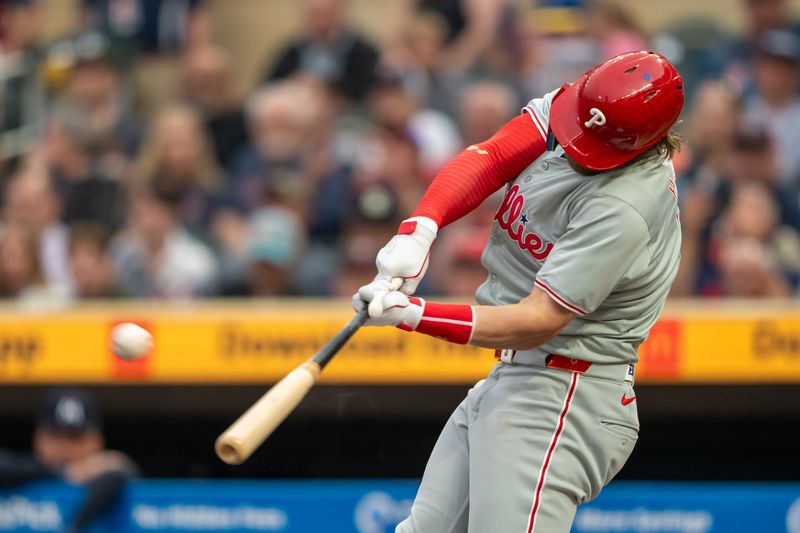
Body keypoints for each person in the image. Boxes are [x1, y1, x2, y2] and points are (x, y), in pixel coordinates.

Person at [353, 51, 684, 531]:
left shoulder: (625, 206)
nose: (572, 141)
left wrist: (413, 314)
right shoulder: (589, 107)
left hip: (567, 391)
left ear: (635, 142)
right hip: (516, 378)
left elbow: (538, 320)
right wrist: (420, 228)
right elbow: (490, 157)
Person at [0, 388, 137, 533]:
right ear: (38, 438)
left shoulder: (107, 474)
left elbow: (122, 476)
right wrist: (62, 472)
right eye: (55, 435)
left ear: (97, 441)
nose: (65, 447)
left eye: (75, 437)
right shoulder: (19, 471)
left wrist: (119, 465)